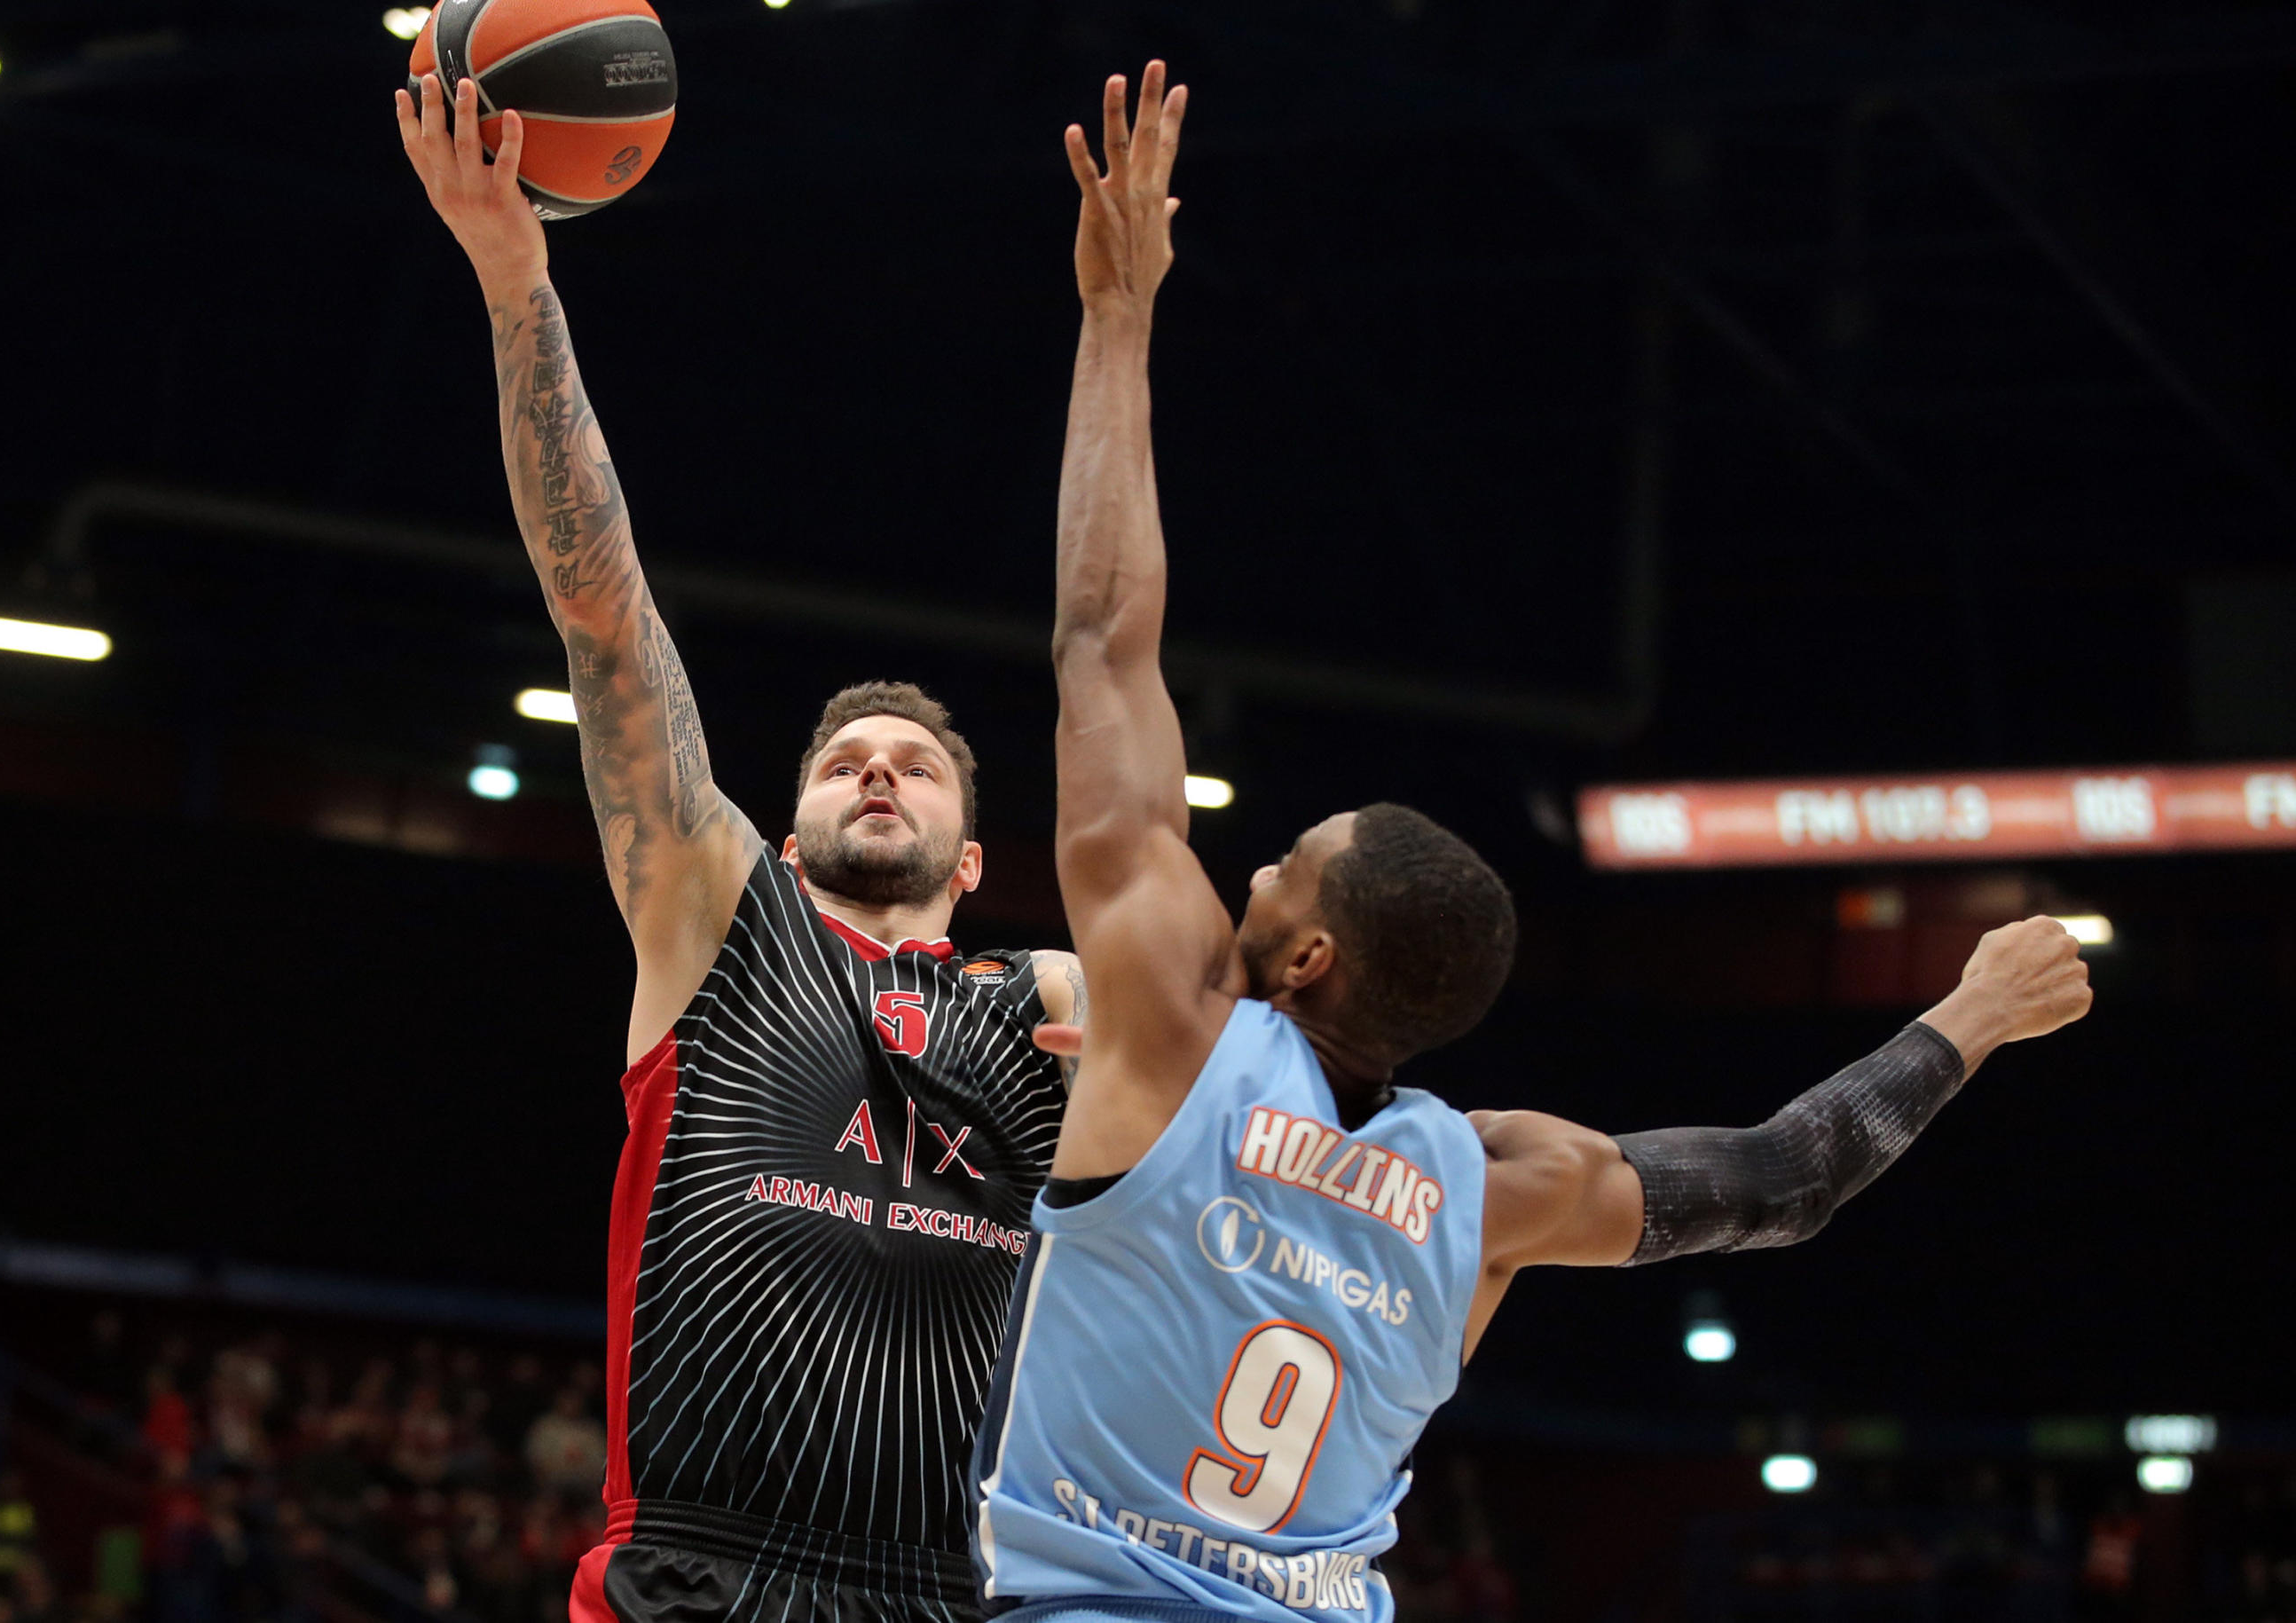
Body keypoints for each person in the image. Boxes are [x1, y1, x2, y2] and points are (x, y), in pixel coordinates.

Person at [968, 63, 2097, 1622]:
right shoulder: (1495, 1183)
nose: (1254, 865)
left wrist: (1119, 317)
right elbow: (1785, 1177)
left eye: (1283, 860)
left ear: (1307, 955)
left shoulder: (1170, 1031)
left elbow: (1103, 644)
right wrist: (1972, 1015)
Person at [395, 75, 1087, 1623]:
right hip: (692, 1570)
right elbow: (604, 615)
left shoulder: (1043, 1003)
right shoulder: (723, 918)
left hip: (946, 1588)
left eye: (916, 765)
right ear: (791, 828)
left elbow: (1247, 1070)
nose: (880, 773)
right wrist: (521, 282)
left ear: (974, 858)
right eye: (846, 762)